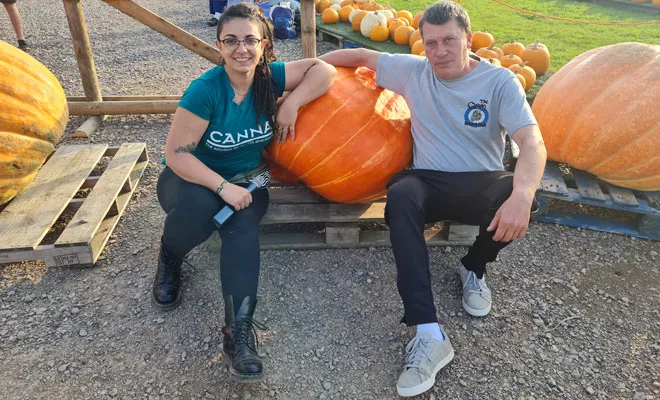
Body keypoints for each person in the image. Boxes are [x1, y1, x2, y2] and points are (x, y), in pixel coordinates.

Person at [319, 1, 546, 397]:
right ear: (422, 43)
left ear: (469, 40)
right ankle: (427, 331)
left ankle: (473, 267)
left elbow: (532, 142)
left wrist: (524, 194)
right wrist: (309, 67)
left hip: (481, 182)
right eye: (431, 42)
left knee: (523, 197)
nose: (439, 51)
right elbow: (358, 54)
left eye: (449, 41)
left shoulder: (499, 82)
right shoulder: (414, 70)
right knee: (401, 194)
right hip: (429, 182)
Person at [154, 2, 335, 382]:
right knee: (200, 210)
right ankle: (169, 257)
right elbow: (175, 154)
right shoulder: (205, 91)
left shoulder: (270, 78)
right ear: (219, 45)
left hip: (250, 180)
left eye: (250, 40)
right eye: (231, 40)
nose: (241, 49)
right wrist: (221, 186)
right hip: (191, 178)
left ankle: (237, 334)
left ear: (265, 44)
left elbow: (325, 68)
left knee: (242, 229)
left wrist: (293, 105)